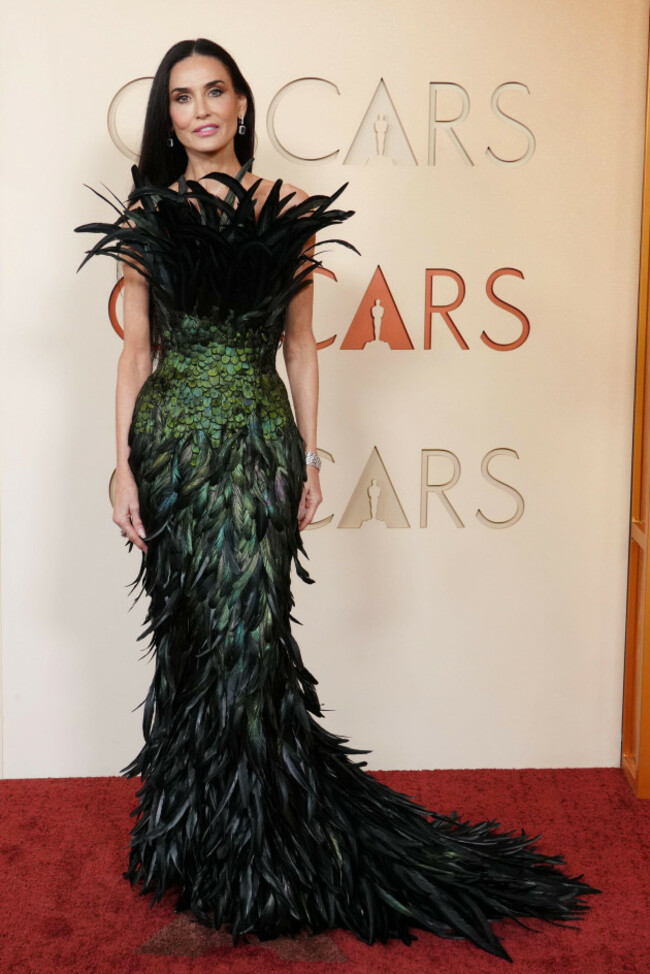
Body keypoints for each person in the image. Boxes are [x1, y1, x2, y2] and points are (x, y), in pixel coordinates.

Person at [75, 37, 599, 963]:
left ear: (242, 105)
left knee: (253, 647)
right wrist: (120, 463)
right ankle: (210, 872)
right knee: (196, 649)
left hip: (258, 446)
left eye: (216, 92)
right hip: (171, 452)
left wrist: (312, 456)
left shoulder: (290, 210)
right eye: (183, 97)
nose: (200, 110)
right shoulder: (149, 209)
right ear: (170, 116)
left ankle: (275, 880)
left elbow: (302, 346)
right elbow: (135, 349)